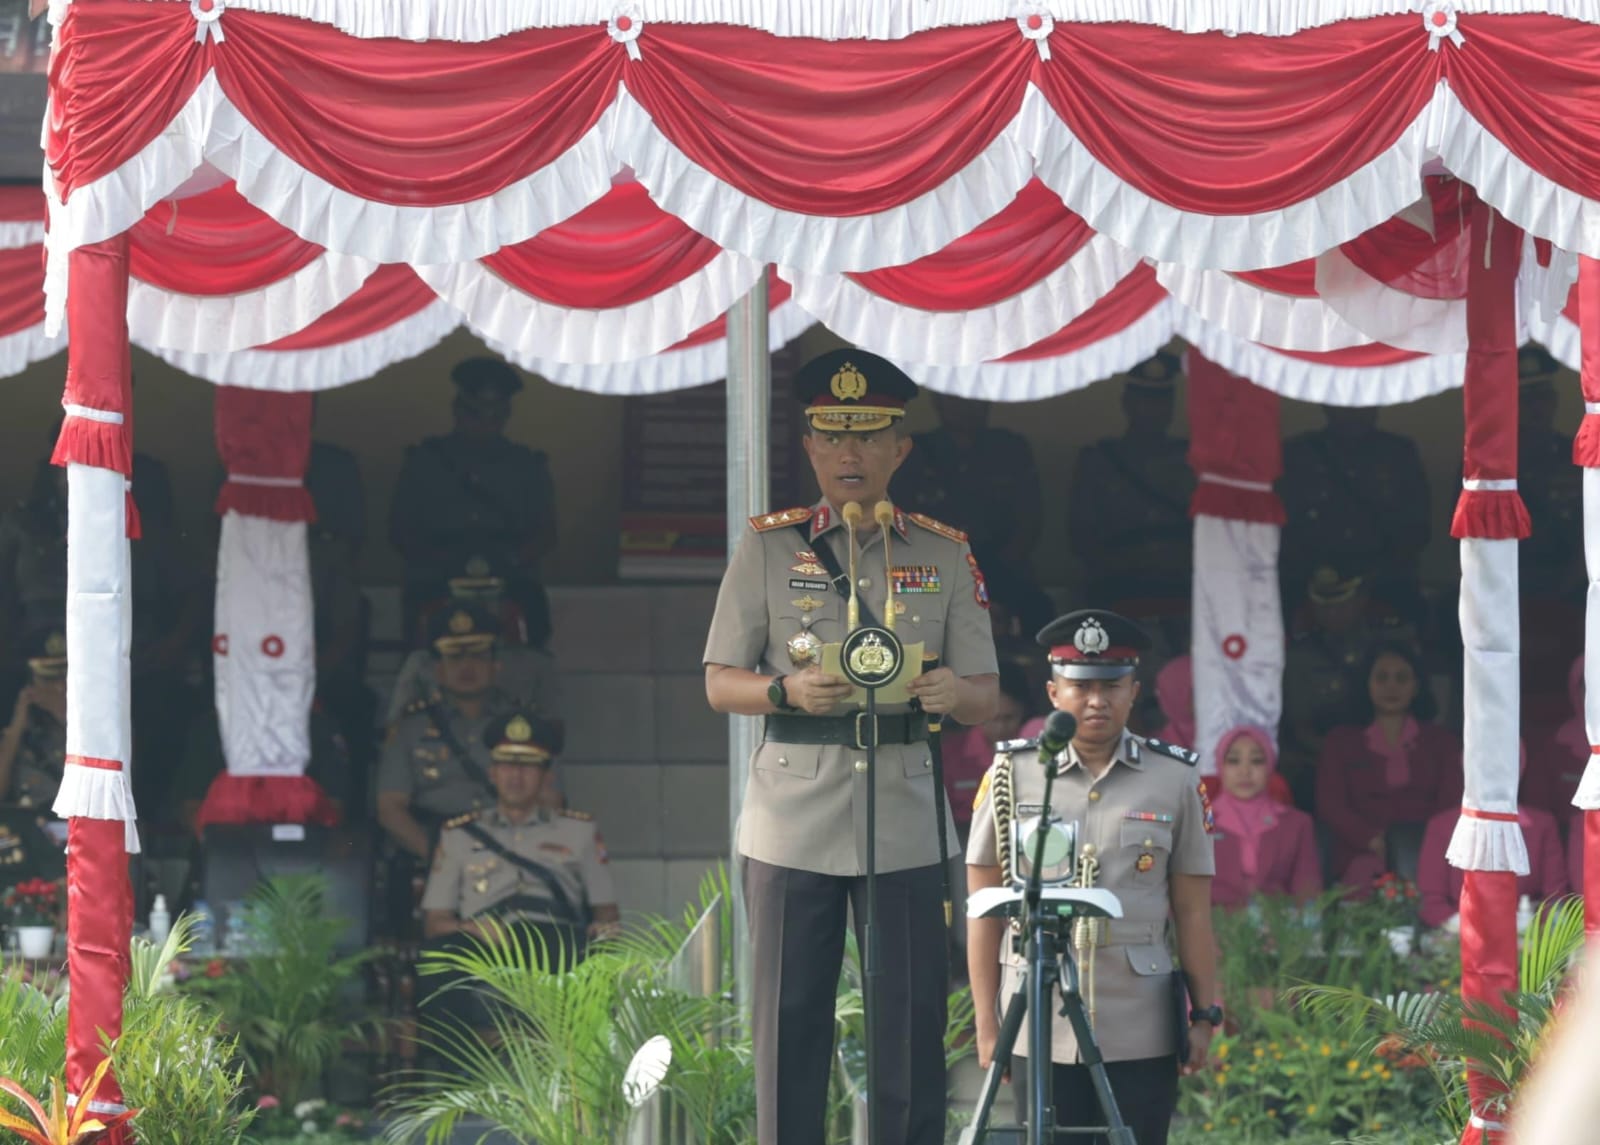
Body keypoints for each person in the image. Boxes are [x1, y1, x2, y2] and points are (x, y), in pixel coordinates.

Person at [703, 347, 999, 1145]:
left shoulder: (941, 552)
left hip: (902, 810)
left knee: (907, 1023)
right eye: (832, 435)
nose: (849, 453)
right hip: (792, 813)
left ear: (899, 448)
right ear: (808, 446)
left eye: (868, 436)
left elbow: (986, 690)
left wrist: (953, 694)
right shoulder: (768, 547)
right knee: (787, 1020)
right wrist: (782, 690)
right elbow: (717, 681)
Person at [966, 609, 1218, 1145]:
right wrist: (987, 1023)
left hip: (1139, 1018)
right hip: (1036, 1016)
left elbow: (1194, 910)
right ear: (1054, 692)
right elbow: (984, 908)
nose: (1097, 701)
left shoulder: (1173, 778)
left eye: (1112, 686)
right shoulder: (1013, 772)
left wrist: (1206, 1014)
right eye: (1081, 687)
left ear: (1134, 692)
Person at [419, 711, 618, 1032]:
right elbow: (434, 921)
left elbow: (607, 915)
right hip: (483, 940)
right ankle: (458, 1074)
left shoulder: (578, 831)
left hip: (553, 938)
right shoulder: (458, 835)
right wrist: (470, 928)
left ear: (546, 776)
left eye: (527, 766)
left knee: (582, 959)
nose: (516, 775)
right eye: (507, 765)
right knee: (438, 962)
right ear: (492, 772)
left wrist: (602, 934)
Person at [389, 357, 558, 649]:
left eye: (494, 415)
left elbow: (545, 532)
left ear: (506, 415)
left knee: (533, 625)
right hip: (438, 572)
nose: (484, 424)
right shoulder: (425, 461)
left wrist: (514, 560)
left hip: (508, 571)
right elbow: (401, 529)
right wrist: (436, 560)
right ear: (457, 410)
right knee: (421, 631)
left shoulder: (526, 465)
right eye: (475, 414)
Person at [376, 605, 521, 862]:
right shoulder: (410, 729)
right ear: (438, 671)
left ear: (496, 666)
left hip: (510, 853)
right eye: (455, 657)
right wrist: (439, 857)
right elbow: (390, 807)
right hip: (433, 853)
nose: (467, 666)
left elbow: (550, 799)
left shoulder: (524, 726)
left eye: (478, 656)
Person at [1315, 643, 1461, 890]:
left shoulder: (1442, 743)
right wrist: (1371, 840)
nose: (1391, 686)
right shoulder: (1340, 742)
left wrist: (1419, 845)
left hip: (1428, 851)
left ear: (1416, 687)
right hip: (1359, 853)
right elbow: (1330, 805)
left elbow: (1451, 803)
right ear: (1367, 684)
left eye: (1401, 678)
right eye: (1382, 678)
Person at [1280, 405, 1430, 629]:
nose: (1354, 412)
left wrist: (1366, 588)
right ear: (1326, 406)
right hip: (1309, 589)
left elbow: (1417, 529)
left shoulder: (1398, 453)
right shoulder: (1297, 454)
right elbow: (1282, 531)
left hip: (1384, 589)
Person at [1067, 355, 1195, 614]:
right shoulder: (1099, 460)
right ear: (1127, 403)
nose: (1154, 410)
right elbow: (1082, 537)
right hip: (1117, 582)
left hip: (1179, 580)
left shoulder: (1192, 460)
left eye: (1162, 401)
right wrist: (1132, 561)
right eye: (1145, 401)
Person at [1279, 566, 1412, 808]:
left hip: (1390, 755)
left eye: (1341, 603)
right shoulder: (1301, 656)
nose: (1331, 613)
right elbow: (1300, 728)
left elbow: (1419, 711)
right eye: (1322, 605)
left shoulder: (1388, 646)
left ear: (1361, 600)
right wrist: (1344, 758)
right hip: (1318, 762)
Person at [384, 557, 564, 727]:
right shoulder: (423, 662)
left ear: (509, 606)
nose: (478, 605)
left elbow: (552, 730)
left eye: (490, 597)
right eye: (464, 597)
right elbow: (398, 727)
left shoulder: (536, 664)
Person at [1416, 744, 1567, 929]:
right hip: (1457, 938)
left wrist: (1528, 928)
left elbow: (1555, 897)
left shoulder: (1542, 825)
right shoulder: (1442, 826)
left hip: (1526, 938)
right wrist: (1466, 929)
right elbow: (1431, 903)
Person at [889, 392, 1043, 571]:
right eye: (956, 395)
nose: (966, 404)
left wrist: (991, 573)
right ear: (938, 401)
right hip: (930, 572)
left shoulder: (1010, 450)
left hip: (1000, 571)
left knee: (1031, 599)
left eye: (974, 395)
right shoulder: (914, 453)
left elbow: (1029, 523)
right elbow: (899, 525)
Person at [1208, 726, 1321, 909]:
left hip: (1280, 931)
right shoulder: (1196, 824)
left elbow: (1307, 893)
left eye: (1256, 761)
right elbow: (1184, 898)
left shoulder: (1297, 824)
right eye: (1234, 761)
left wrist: (1302, 934)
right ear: (1220, 766)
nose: (1245, 771)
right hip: (1214, 932)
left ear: (1269, 766)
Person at [942, 662, 1033, 846]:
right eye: (992, 719)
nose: (1000, 728)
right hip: (964, 844)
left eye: (1009, 718)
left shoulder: (1034, 751)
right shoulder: (950, 753)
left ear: (1022, 712)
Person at [0, 629, 66, 810]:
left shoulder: (97, 720)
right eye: (49, 680)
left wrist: (64, 716)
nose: (60, 687)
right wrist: (16, 728)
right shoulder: (21, 728)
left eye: (65, 677)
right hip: (32, 828)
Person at [1524, 655, 1588, 828]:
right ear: (1576, 690)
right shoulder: (1552, 749)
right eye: (1591, 687)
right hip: (1568, 847)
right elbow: (1537, 814)